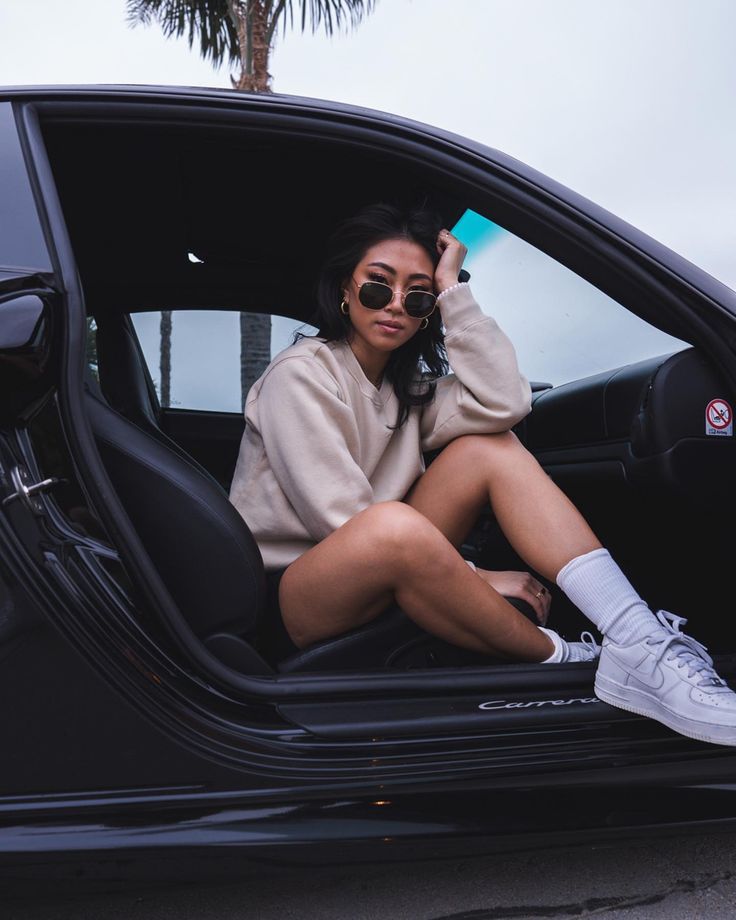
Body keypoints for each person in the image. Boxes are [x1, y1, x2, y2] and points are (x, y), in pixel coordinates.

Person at [229, 203, 736, 746]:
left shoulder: (408, 388)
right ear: (345, 292)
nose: (396, 304)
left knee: (488, 447)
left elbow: (505, 402)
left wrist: (452, 289)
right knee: (390, 526)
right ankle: (560, 657)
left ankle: (636, 639)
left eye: (417, 294)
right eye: (378, 286)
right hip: (298, 594)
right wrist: (474, 575)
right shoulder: (300, 375)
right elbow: (347, 523)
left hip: (382, 552)